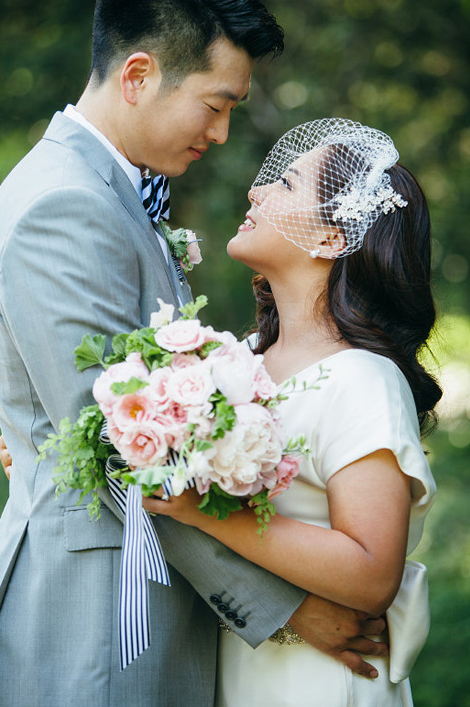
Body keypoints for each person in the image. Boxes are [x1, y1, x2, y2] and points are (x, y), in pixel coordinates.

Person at [0, 0, 386, 707]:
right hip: (100, 628)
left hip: (133, 610)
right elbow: (120, 453)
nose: (221, 134)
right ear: (139, 75)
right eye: (216, 105)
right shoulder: (64, 206)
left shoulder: (104, 194)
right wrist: (288, 607)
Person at [144, 118, 441, 707]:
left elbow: (372, 574)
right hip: (235, 669)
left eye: (285, 184)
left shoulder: (362, 379)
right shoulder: (238, 360)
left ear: (333, 239)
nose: (256, 191)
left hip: (320, 684)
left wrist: (204, 513)